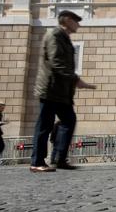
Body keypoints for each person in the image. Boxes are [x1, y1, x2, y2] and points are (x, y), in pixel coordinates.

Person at [31, 10, 97, 172]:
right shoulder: (54, 35)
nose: (78, 25)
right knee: (44, 126)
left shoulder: (64, 37)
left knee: (69, 121)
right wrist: (76, 80)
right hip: (50, 89)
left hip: (61, 92)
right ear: (67, 20)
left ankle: (59, 158)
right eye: (76, 21)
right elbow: (56, 62)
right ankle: (37, 162)